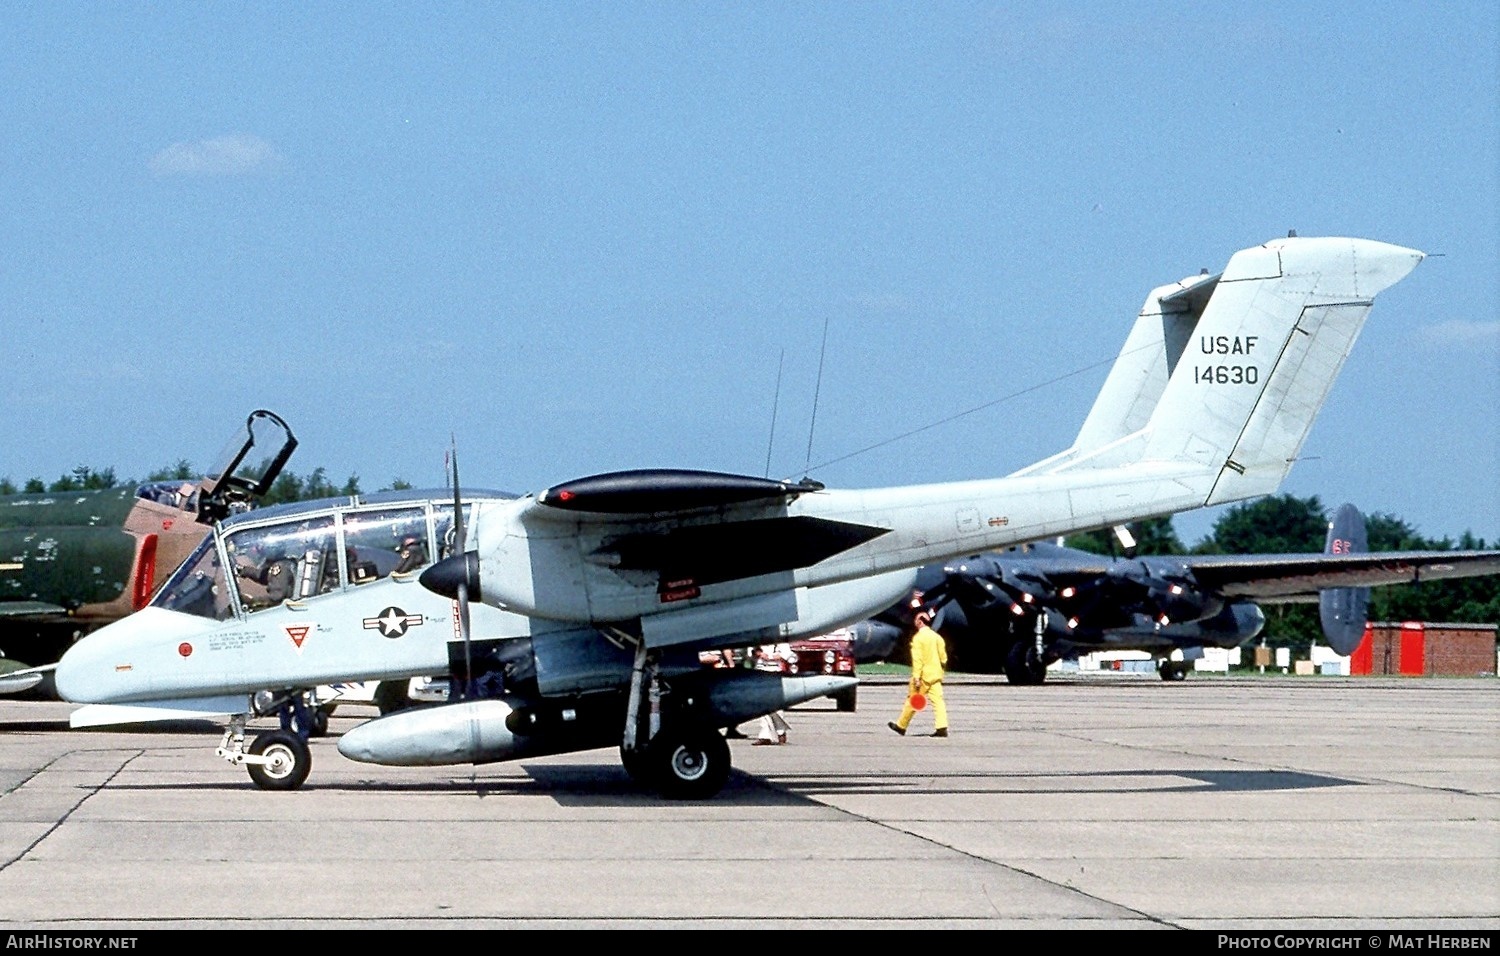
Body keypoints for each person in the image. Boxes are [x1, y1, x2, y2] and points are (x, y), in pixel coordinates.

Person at [889, 605, 948, 738]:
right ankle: (941, 727)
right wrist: (940, 669)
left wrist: (916, 677)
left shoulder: (918, 639)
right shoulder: (937, 637)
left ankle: (901, 726)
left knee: (913, 700)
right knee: (938, 702)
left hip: (923, 677)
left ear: (920, 621)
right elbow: (943, 657)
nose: (915, 622)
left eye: (916, 620)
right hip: (936, 675)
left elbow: (918, 660)